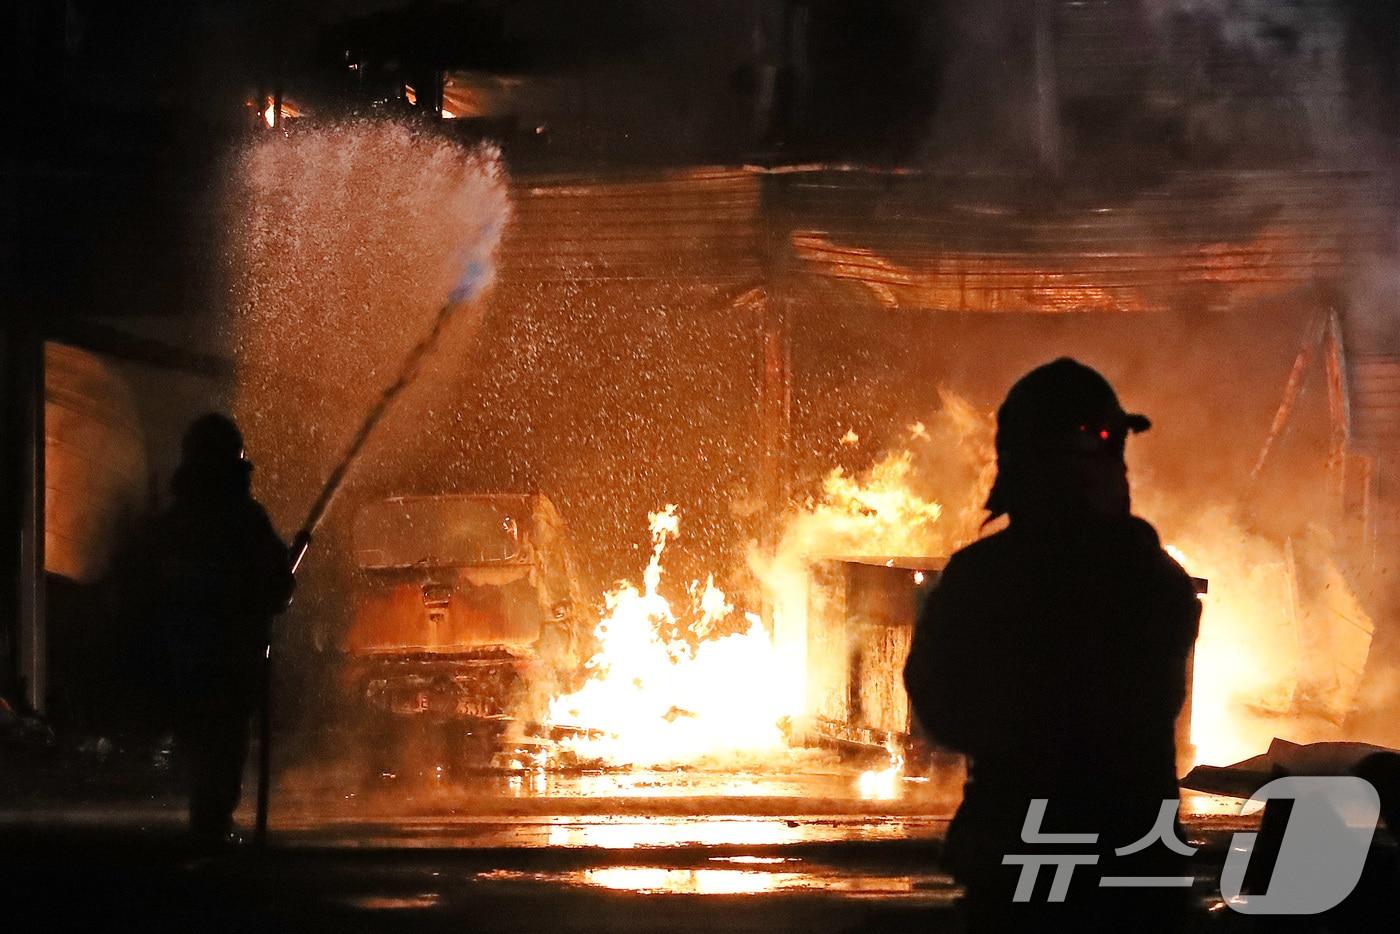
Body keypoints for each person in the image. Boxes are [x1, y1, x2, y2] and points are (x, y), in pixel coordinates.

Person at [904, 359, 1201, 932]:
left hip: (1021, 864)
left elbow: (940, 707)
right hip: (1128, 872)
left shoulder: (981, 577)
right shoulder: (1145, 574)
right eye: (1105, 443)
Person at [151, 414, 294, 845]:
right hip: (232, 656)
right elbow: (277, 586)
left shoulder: (177, 519)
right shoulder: (245, 517)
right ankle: (212, 823)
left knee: (201, 740)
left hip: (187, 656)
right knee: (226, 742)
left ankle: (206, 819)